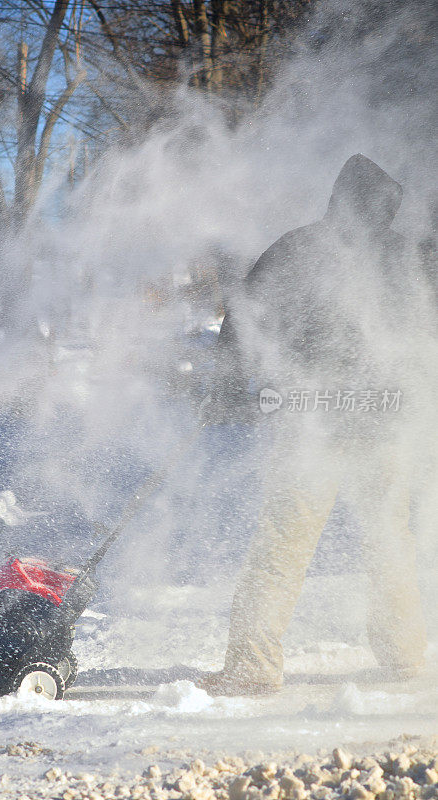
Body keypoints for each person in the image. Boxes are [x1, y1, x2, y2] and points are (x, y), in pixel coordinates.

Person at [199, 154, 429, 696]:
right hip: (383, 424)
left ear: (337, 198)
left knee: (282, 546)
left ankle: (252, 667)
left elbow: (244, 322)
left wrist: (225, 389)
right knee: (390, 539)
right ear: (386, 206)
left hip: (310, 423)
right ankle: (405, 655)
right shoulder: (404, 256)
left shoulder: (297, 247)